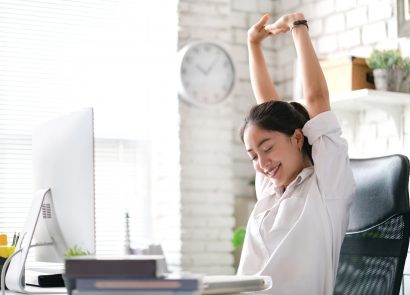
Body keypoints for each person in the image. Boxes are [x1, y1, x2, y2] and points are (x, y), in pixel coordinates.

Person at [237, 12, 356, 294]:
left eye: (266, 149)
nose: (262, 163)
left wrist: (298, 27)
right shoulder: (270, 190)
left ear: (298, 138)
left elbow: (316, 99)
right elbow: (268, 111)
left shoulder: (326, 186)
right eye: (253, 156)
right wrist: (253, 44)